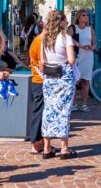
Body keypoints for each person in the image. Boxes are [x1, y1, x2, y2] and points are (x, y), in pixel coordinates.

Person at [41, 10, 77, 159]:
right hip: (63, 76)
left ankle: (47, 147)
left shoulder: (45, 38)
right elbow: (71, 60)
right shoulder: (66, 38)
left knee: (49, 109)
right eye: (65, 20)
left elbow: (42, 61)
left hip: (49, 76)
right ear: (61, 21)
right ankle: (64, 148)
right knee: (63, 111)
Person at [28, 31, 50, 154]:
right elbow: (39, 63)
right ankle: (36, 143)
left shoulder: (39, 40)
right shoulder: (39, 41)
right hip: (40, 80)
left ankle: (41, 142)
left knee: (42, 111)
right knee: (39, 110)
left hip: (40, 79)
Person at [72, 10, 95, 113]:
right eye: (84, 15)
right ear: (78, 17)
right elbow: (68, 39)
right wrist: (80, 46)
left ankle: (84, 104)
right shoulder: (73, 28)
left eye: (87, 15)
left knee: (86, 81)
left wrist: (92, 47)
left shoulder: (90, 29)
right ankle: (73, 104)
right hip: (77, 57)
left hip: (88, 57)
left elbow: (94, 44)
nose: (86, 17)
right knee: (74, 81)